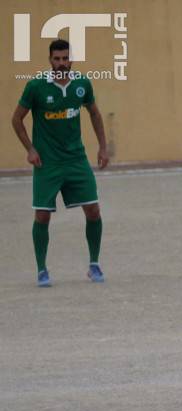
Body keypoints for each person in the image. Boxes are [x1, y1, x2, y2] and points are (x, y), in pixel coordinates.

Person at [12, 39, 109, 287]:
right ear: (50, 60)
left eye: (65, 58)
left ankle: (94, 264)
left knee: (94, 210)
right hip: (48, 163)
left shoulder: (81, 84)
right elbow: (17, 119)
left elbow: (95, 113)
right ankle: (42, 270)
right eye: (57, 59)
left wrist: (103, 146)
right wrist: (30, 149)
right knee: (43, 216)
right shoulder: (36, 86)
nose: (62, 63)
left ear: (71, 59)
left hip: (76, 159)